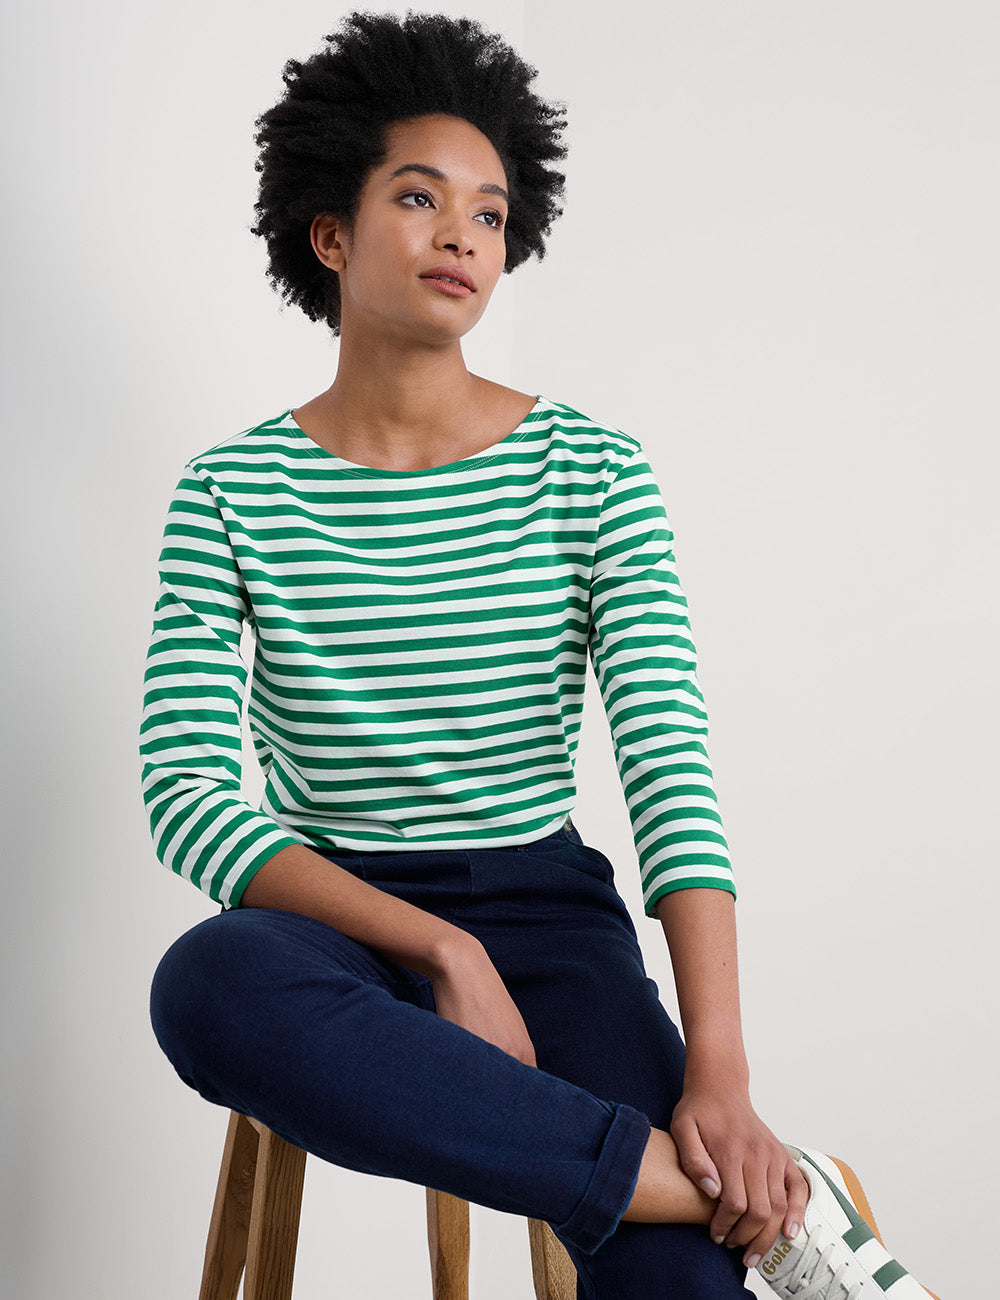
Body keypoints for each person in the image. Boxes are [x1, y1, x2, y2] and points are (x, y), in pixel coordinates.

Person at [139, 11, 939, 1299]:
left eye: (491, 213)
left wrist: (722, 1072)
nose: (462, 235)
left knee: (677, 1290)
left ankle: (689, 1187)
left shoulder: (592, 469)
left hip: (549, 916)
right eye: (419, 197)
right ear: (329, 233)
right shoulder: (232, 488)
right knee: (207, 985)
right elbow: (185, 795)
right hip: (334, 918)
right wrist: (441, 950)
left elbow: (668, 768)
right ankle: (734, 1198)